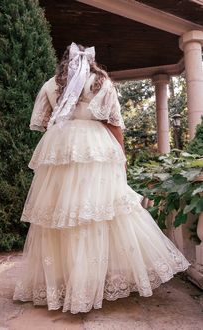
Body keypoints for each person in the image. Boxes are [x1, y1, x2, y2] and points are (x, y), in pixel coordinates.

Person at [13, 42, 191, 314]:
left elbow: (44, 121)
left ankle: (66, 283)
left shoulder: (50, 84)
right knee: (97, 211)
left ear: (64, 62)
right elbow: (115, 122)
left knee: (61, 215)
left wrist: (66, 132)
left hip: (60, 149)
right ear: (92, 61)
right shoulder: (100, 81)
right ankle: (89, 284)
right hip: (96, 147)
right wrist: (121, 156)